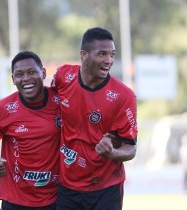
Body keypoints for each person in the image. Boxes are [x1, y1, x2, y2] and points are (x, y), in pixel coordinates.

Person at [51, 27, 138, 210]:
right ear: (84, 55)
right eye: (102, 54)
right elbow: (48, 110)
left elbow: (130, 147)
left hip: (106, 187)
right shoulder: (62, 76)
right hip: (68, 186)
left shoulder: (124, 96)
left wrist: (113, 153)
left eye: (112, 54)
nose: (109, 60)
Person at [0, 51, 61, 210]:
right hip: (15, 200)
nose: (26, 79)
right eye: (20, 74)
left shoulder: (61, 101)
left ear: (43, 73)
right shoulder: (1, 108)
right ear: (13, 79)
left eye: (32, 72)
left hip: (55, 199)